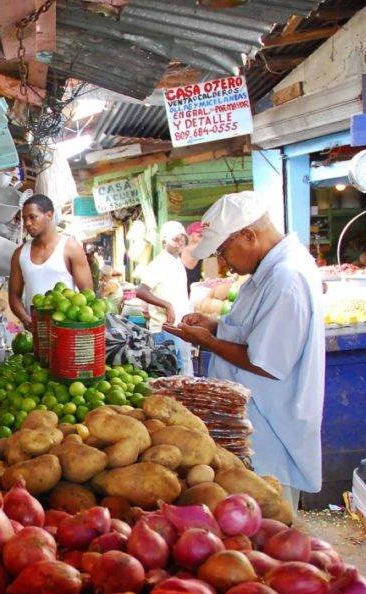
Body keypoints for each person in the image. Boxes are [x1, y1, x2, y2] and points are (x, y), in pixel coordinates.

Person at [163, 192, 324, 508]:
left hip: (269, 431)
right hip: (252, 426)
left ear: (249, 236)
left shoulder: (286, 278)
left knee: (268, 516)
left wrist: (208, 342)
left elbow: (266, 362)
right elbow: (256, 332)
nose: (223, 262)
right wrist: (214, 326)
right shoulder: (267, 272)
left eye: (223, 251)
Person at [8, 194, 94, 328]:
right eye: (24, 219)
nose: (27, 223)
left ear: (49, 215)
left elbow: (88, 294)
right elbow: (14, 296)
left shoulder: (70, 248)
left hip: (67, 331)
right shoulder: (19, 254)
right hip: (37, 333)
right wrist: (26, 319)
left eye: (32, 217)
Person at [136, 221, 194, 375]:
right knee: (168, 376)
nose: (179, 242)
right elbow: (141, 291)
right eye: (175, 239)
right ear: (164, 241)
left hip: (180, 328)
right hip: (165, 330)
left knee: (183, 373)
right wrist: (167, 305)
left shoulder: (178, 261)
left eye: (182, 238)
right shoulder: (159, 263)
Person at [183, 221, 204, 289]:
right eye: (200, 235)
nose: (204, 239)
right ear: (190, 236)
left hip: (195, 287)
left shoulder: (199, 250)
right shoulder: (187, 249)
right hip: (184, 288)